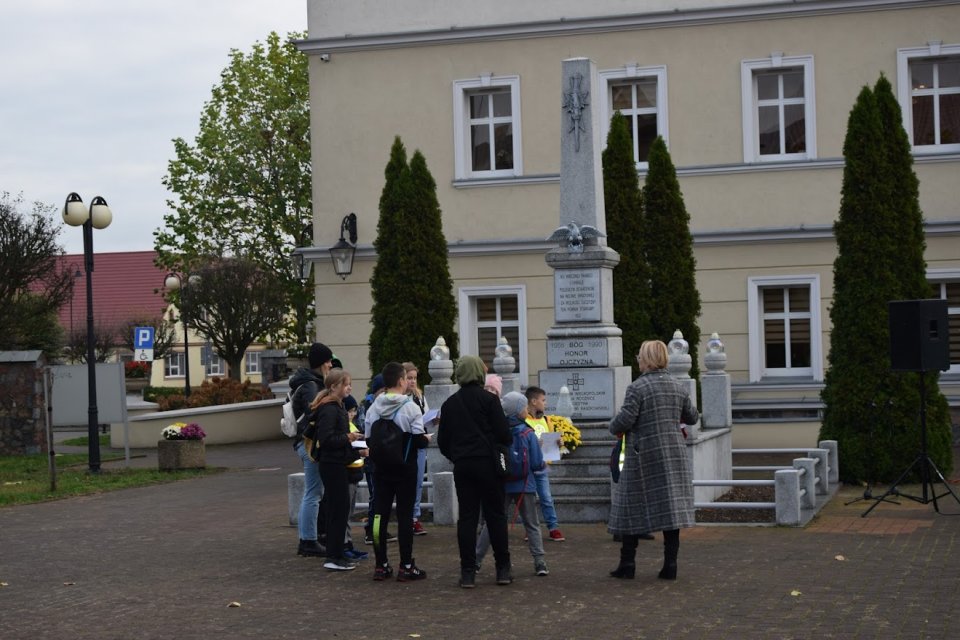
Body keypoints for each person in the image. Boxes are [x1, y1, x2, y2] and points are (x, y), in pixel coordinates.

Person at [607, 340, 699, 581]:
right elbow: (692, 416)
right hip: (673, 454)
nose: (638, 360)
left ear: (647, 359)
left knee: (631, 506)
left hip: (642, 455)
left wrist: (612, 425)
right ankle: (670, 565)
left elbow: (624, 421)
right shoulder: (678, 387)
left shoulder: (638, 388)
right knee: (671, 510)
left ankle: (627, 564)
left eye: (640, 356)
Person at [438, 355, 514, 589]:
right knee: (495, 516)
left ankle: (468, 571)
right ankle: (502, 569)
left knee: (468, 518)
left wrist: (458, 455)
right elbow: (504, 435)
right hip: (489, 464)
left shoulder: (450, 404)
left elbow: (443, 441)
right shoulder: (490, 401)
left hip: (463, 466)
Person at [364, 362, 429, 581]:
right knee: (404, 516)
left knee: (378, 516)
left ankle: (380, 565)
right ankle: (406, 565)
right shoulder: (410, 407)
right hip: (405, 469)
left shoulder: (373, 407)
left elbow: (368, 439)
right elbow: (419, 441)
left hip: (381, 468)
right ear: (401, 381)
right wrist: (426, 439)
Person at [476, 392, 548, 577]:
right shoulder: (528, 432)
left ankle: (476, 560)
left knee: (491, 523)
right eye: (523, 407)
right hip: (526, 485)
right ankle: (539, 561)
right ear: (518, 411)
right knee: (532, 523)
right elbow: (536, 463)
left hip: (502, 483)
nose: (526, 409)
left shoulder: (498, 431)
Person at [308, 369, 366, 571]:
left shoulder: (337, 407)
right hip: (332, 466)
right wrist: (349, 438)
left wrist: (357, 451)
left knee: (340, 511)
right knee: (337, 511)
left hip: (337, 463)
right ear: (334, 387)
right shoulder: (330, 409)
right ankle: (333, 556)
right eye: (346, 384)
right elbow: (327, 440)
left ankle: (338, 553)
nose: (349, 387)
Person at [289, 342, 334, 558]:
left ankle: (311, 537)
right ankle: (308, 540)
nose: (331, 364)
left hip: (305, 442)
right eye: (328, 361)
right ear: (321, 363)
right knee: (313, 493)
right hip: (309, 444)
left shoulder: (308, 382)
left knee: (315, 492)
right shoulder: (311, 386)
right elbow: (314, 415)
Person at [523, 386, 565, 542]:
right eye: (543, 400)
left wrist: (559, 443)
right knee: (529, 500)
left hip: (542, 465)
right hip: (528, 466)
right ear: (533, 402)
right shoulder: (524, 420)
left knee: (546, 497)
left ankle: (553, 527)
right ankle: (530, 528)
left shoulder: (547, 420)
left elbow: (552, 442)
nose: (545, 403)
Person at [360, 374, 396, 546]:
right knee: (376, 497)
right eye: (382, 391)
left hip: (379, 460)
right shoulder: (370, 408)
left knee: (380, 498)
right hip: (371, 462)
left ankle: (378, 530)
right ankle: (372, 531)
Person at [403, 362, 430, 536]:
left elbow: (424, 416)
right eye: (409, 378)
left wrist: (431, 420)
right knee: (407, 482)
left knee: (418, 481)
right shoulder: (400, 398)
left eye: (414, 378)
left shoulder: (419, 396)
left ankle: (414, 517)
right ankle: (407, 517)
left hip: (420, 442)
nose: (413, 382)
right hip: (406, 443)